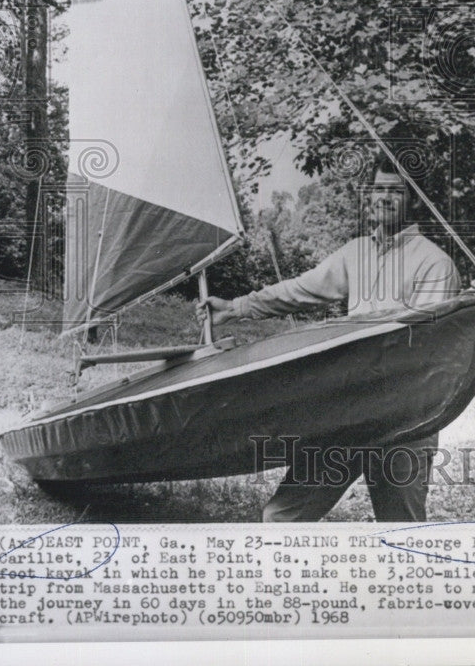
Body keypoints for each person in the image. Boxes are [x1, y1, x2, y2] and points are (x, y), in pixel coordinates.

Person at [197, 154, 461, 522]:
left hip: (405, 420)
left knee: (401, 532)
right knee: (281, 517)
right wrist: (235, 307)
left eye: (395, 192)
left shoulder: (435, 263)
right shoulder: (356, 252)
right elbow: (299, 290)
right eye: (377, 189)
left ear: (414, 200)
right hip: (347, 410)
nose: (382, 198)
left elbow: (430, 345)